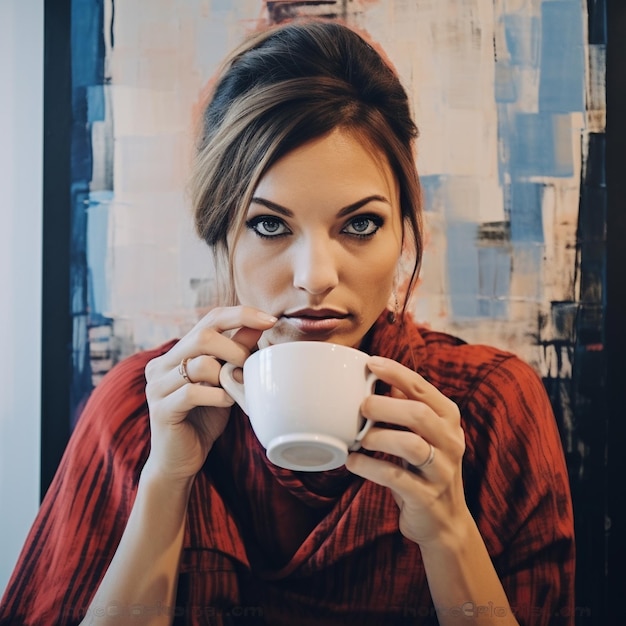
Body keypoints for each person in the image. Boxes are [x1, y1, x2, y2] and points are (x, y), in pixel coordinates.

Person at [0, 19, 575, 626]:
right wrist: (166, 483)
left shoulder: (488, 406)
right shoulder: (138, 411)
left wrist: (449, 532)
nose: (315, 277)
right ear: (220, 229)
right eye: (270, 225)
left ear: (405, 228)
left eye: (360, 224)